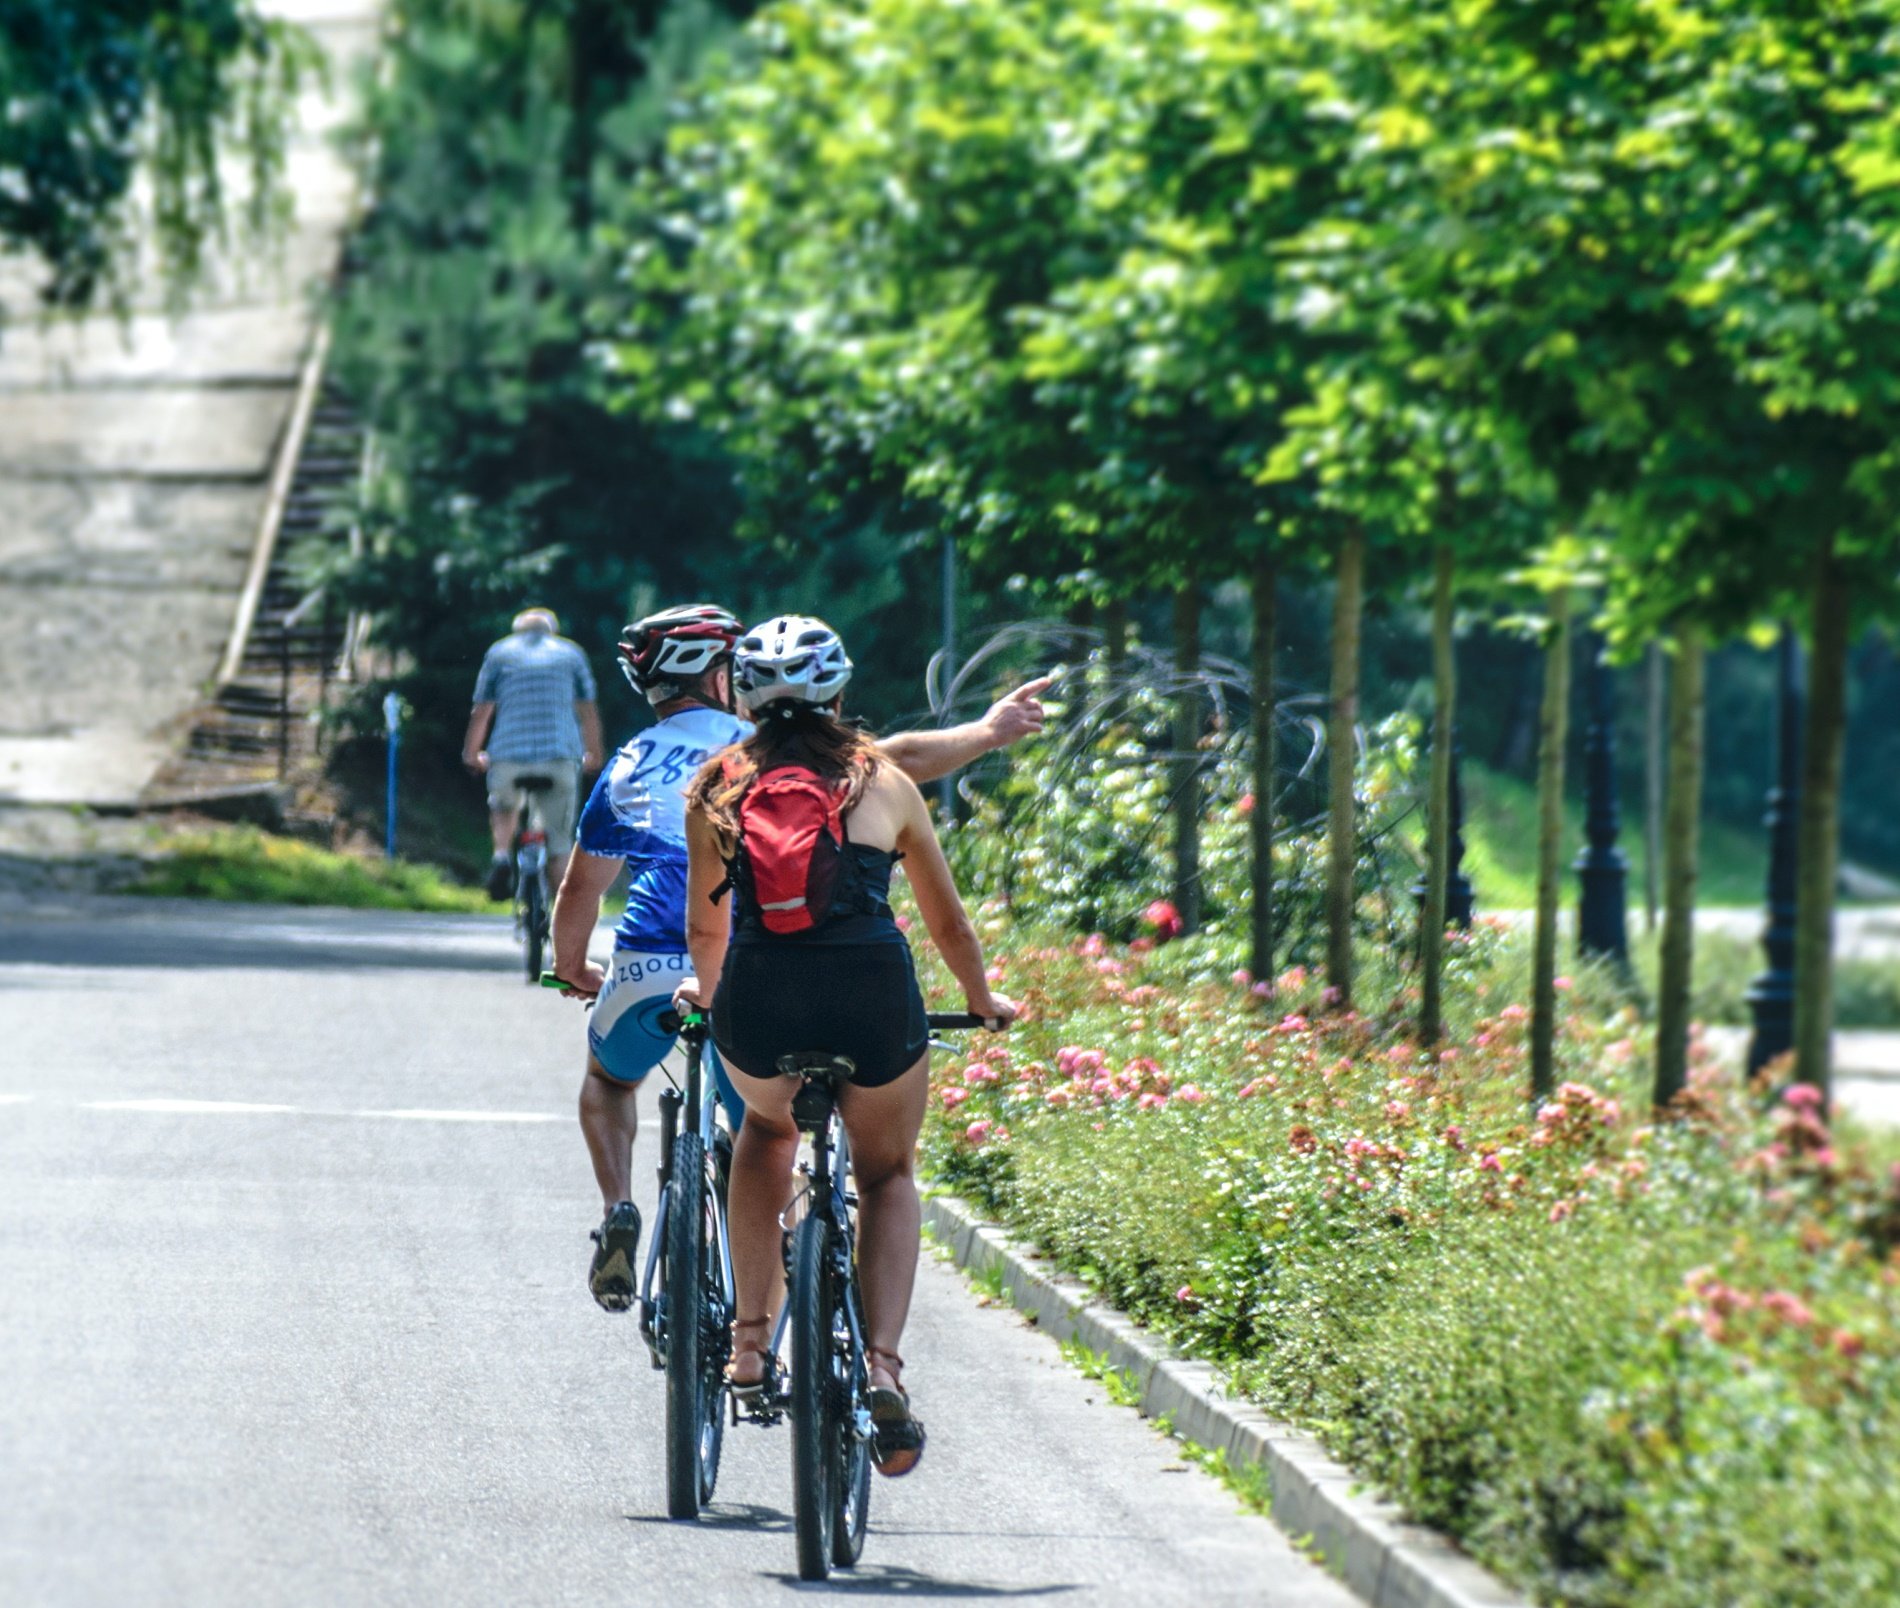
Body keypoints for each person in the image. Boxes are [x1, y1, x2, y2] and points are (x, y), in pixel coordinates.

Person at [550, 604, 1050, 1316]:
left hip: (655, 971)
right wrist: (985, 733)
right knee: (770, 1136)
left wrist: (573, 967)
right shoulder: (759, 747)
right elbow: (895, 760)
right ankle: (794, 1277)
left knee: (608, 1079)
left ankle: (619, 1206)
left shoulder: (637, 762)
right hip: (770, 968)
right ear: (724, 679)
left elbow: (581, 889)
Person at [676, 615, 1016, 1478]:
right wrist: (982, 1001)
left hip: (760, 997)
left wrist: (710, 998)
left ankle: (751, 1345)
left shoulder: (715, 784)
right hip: (869, 995)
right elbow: (945, 920)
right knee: (888, 1174)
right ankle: (881, 1367)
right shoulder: (884, 781)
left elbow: (705, 929)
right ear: (836, 690)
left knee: (764, 1133)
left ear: (743, 698)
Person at [463, 608, 603, 901]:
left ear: (518, 630)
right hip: (560, 756)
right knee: (559, 844)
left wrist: (472, 752)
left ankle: (501, 855)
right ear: (551, 630)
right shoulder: (571, 654)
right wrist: (594, 753)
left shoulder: (500, 653)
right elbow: (587, 709)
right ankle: (558, 917)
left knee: (503, 806)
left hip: (507, 756)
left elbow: (482, 710)